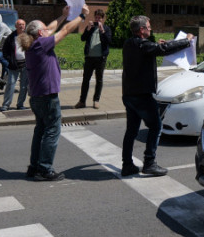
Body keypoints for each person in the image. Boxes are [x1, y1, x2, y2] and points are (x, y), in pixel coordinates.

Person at [121, 15, 194, 177]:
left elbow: (154, 48)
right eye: (148, 27)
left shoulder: (128, 43)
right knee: (156, 126)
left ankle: (127, 165)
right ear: (141, 30)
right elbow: (161, 50)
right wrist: (187, 41)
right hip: (142, 96)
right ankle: (149, 163)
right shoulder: (144, 46)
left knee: (131, 131)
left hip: (129, 95)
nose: (150, 29)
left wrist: (160, 44)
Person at [23, 5, 88, 182]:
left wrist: (62, 15)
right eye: (45, 29)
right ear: (40, 33)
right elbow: (65, 31)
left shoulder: (33, 44)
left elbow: (52, 27)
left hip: (36, 96)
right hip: (47, 96)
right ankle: (45, 168)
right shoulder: (42, 44)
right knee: (52, 130)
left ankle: (34, 166)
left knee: (40, 130)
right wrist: (82, 16)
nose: (49, 30)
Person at [75, 9, 112, 109]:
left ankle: (96, 100)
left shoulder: (106, 28)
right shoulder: (90, 28)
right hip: (89, 58)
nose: (97, 19)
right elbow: (83, 38)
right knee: (85, 80)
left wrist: (102, 31)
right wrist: (87, 28)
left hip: (100, 58)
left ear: (102, 19)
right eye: (96, 17)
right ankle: (82, 101)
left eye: (99, 18)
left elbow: (108, 41)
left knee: (99, 80)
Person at [0, 19, 28, 111]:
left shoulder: (28, 37)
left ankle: (20, 104)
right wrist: (10, 60)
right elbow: (5, 51)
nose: (21, 26)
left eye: (23, 24)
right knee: (10, 84)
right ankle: (6, 105)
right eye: (19, 24)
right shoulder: (11, 37)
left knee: (24, 86)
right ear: (16, 26)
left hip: (25, 64)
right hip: (14, 65)